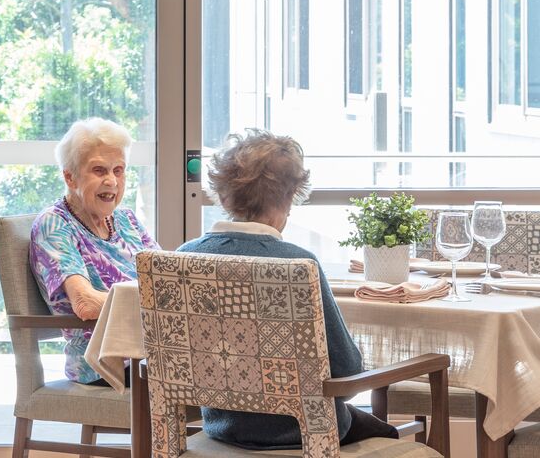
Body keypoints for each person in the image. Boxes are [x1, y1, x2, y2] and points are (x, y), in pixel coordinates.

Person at [177, 129, 397, 449]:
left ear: (222, 197)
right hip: (307, 433)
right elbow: (346, 372)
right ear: (290, 198)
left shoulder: (185, 258)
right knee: (385, 432)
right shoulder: (298, 263)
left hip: (223, 429)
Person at [29, 117, 158, 387]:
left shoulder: (127, 220)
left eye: (119, 170)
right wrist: (159, 306)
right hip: (103, 362)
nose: (112, 181)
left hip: (150, 350)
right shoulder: (55, 224)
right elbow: (85, 304)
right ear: (70, 176)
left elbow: (166, 278)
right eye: (99, 170)